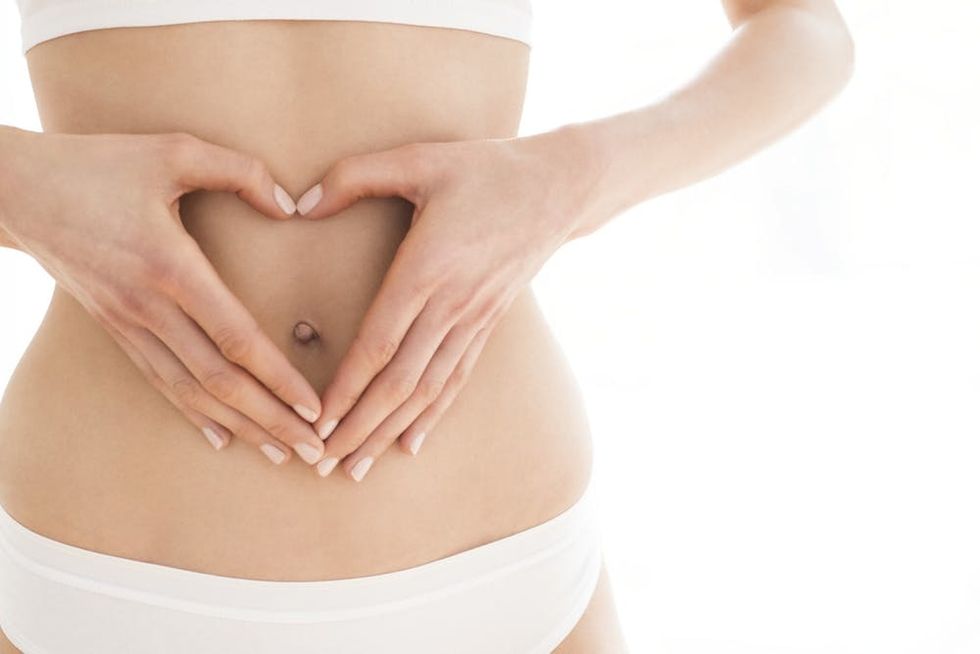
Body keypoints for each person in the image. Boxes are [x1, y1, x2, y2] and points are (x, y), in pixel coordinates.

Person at [0, 0, 854, 651]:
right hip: (101, 578)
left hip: (502, 571)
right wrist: (19, 184)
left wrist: (570, 178)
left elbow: (807, 31)